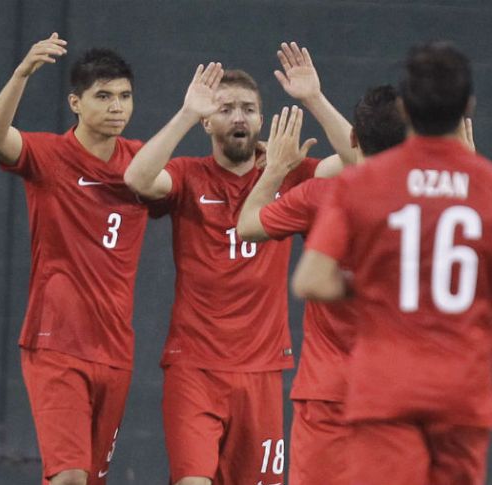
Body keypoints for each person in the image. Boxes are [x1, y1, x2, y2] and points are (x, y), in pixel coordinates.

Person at [291, 40, 492, 485]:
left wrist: (379, 288)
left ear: (404, 108)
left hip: (385, 386)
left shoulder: (362, 185)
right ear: (468, 106)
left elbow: (310, 281)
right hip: (462, 389)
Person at [123, 42, 352, 485]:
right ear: (209, 120)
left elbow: (360, 161)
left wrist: (313, 98)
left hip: (262, 369)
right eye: (226, 109)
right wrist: (188, 112)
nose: (239, 117)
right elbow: (137, 177)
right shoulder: (189, 175)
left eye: (249, 108)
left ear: (262, 120)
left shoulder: (291, 173)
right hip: (194, 365)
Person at [0, 33, 148, 485]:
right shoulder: (50, 156)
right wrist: (22, 73)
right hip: (56, 343)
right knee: (70, 476)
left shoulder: (142, 164)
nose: (117, 107)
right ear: (75, 102)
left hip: (115, 348)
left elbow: (200, 183)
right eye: (104, 96)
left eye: (125, 96)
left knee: (90, 478)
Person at [235, 84, 406, 485]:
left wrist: (275, 168)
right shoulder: (429, 208)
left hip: (327, 392)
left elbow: (247, 225)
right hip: (399, 390)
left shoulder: (320, 196)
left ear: (352, 138)